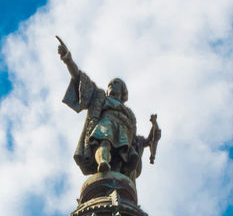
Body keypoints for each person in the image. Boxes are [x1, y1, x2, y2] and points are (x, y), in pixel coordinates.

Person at [57, 37, 158, 178]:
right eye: (110, 85)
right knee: (104, 142)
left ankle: (125, 167)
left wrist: (150, 136)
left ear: (123, 91)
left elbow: (138, 139)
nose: (111, 86)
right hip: (106, 123)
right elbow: (80, 78)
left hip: (124, 131)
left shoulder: (128, 112)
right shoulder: (100, 97)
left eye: (115, 84)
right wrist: (68, 59)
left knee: (126, 154)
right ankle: (103, 162)